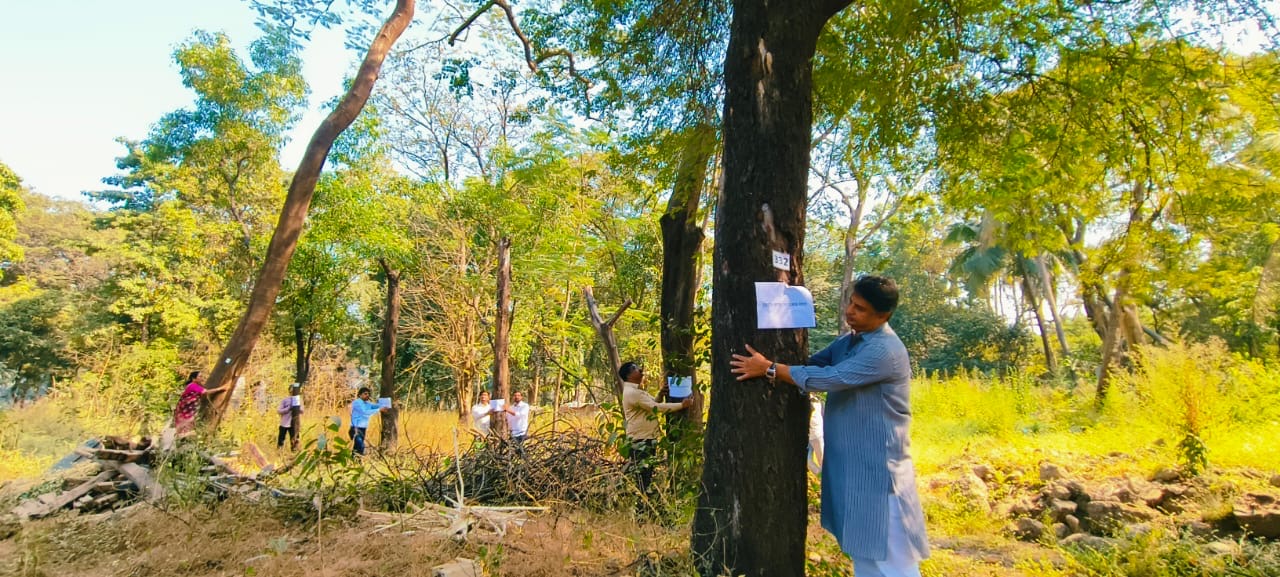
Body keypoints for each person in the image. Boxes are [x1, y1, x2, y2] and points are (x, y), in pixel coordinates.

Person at [730, 275, 930, 577]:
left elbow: (829, 379)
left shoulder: (884, 350)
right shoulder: (850, 342)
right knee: (866, 556)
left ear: (883, 315)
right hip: (856, 472)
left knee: (893, 562)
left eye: (860, 308)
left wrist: (770, 369)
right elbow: (812, 364)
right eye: (851, 302)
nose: (850, 311)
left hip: (880, 475)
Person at [619, 362, 693, 494]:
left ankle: (645, 508)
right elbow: (656, 408)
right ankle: (643, 509)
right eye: (635, 369)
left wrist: (660, 394)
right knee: (643, 478)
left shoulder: (637, 391)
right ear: (629, 375)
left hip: (645, 439)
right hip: (640, 440)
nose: (640, 370)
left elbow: (652, 403)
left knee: (645, 476)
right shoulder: (633, 393)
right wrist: (682, 405)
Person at [173, 370, 223, 437]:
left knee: (188, 426)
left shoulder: (196, 386)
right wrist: (221, 388)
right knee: (186, 428)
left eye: (202, 376)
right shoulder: (193, 385)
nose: (202, 378)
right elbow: (206, 392)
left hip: (187, 409)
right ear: (194, 379)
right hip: (185, 409)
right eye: (200, 376)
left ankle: (185, 436)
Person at [348, 387, 388, 455]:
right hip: (355, 428)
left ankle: (355, 462)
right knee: (361, 446)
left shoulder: (367, 403)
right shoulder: (357, 402)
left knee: (357, 447)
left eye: (368, 394)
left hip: (363, 429)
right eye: (365, 394)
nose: (367, 395)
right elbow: (365, 412)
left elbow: (375, 406)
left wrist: (385, 405)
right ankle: (356, 461)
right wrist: (379, 410)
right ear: (360, 395)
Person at [276, 384, 303, 450]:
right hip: (284, 423)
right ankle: (280, 451)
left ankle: (294, 453)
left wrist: (297, 407)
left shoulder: (299, 400)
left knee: (295, 439)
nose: (292, 392)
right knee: (281, 439)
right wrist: (288, 408)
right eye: (291, 391)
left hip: (294, 424)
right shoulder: (285, 400)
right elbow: (279, 410)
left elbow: (302, 411)